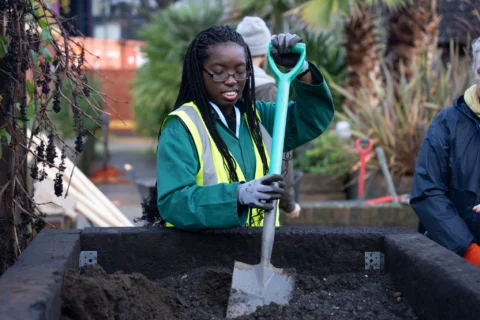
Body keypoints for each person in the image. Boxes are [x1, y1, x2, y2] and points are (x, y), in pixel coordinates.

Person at [153, 24, 334, 230]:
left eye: (240, 71)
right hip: (203, 256)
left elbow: (312, 118)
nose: (232, 81)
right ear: (198, 73)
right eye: (219, 73)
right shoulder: (182, 126)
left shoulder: (260, 117)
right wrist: (237, 195)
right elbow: (174, 202)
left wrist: (302, 70)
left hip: (257, 250)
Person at [410, 36, 480, 267]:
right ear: (473, 72)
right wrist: (469, 252)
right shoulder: (446, 124)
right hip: (457, 261)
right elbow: (427, 191)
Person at [236, 16, 301, 219]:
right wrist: (289, 203)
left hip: (226, 196)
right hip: (262, 200)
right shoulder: (271, 93)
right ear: (266, 52)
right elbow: (281, 150)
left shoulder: (220, 87)